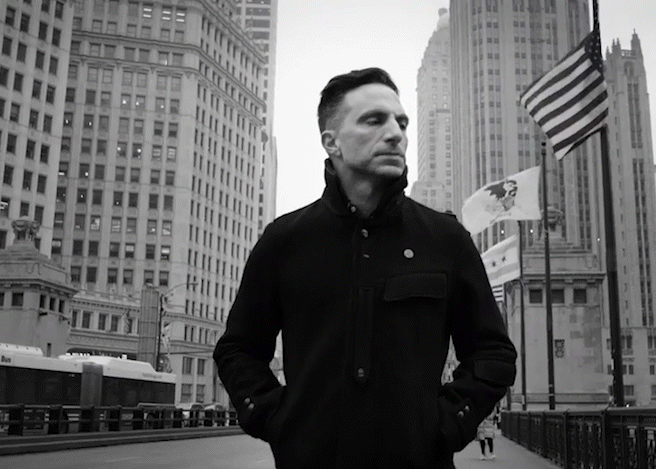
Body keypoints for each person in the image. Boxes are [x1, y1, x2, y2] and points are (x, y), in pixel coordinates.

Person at [213, 67, 517, 469]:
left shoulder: (446, 239)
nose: (395, 134)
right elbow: (238, 349)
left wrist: (447, 424)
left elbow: (493, 351)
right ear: (332, 142)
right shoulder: (284, 240)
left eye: (401, 123)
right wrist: (275, 419)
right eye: (374, 120)